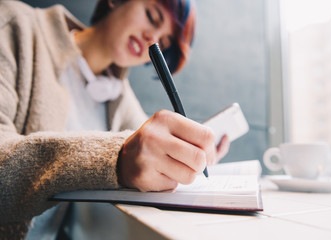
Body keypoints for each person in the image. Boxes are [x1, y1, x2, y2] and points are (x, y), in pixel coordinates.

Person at [0, 0, 230, 238]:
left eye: (164, 42)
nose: (152, 39)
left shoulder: (118, 97)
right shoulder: (14, 25)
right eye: (152, 16)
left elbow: (152, 156)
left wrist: (188, 152)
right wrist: (116, 158)